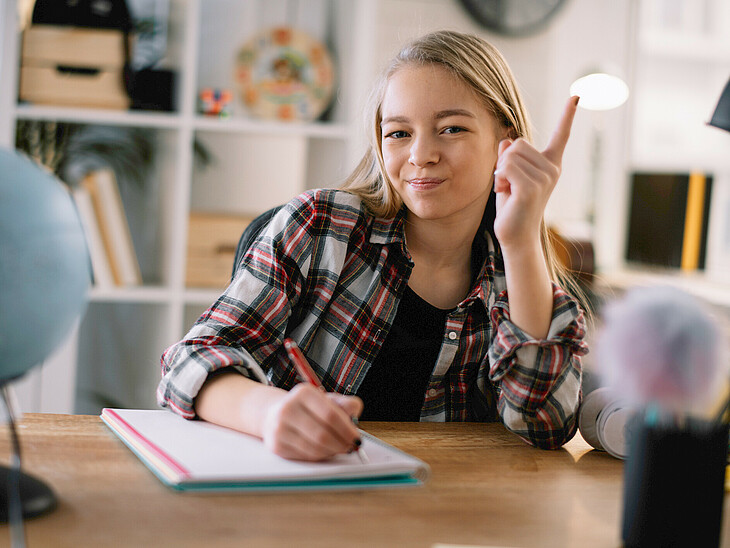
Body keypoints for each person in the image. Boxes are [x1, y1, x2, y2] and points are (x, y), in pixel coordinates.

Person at [158, 30, 588, 461]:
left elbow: (544, 425)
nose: (421, 155)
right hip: (302, 491)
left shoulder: (512, 272)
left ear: (505, 143)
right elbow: (189, 362)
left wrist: (521, 242)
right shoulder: (321, 227)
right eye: (399, 133)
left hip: (443, 510)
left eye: (451, 128)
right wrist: (269, 413)